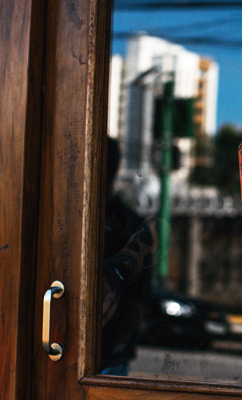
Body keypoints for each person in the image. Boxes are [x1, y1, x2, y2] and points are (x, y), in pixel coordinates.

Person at [101, 137, 157, 375]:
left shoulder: (131, 227)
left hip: (109, 351)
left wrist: (119, 347)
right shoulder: (132, 225)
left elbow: (136, 299)